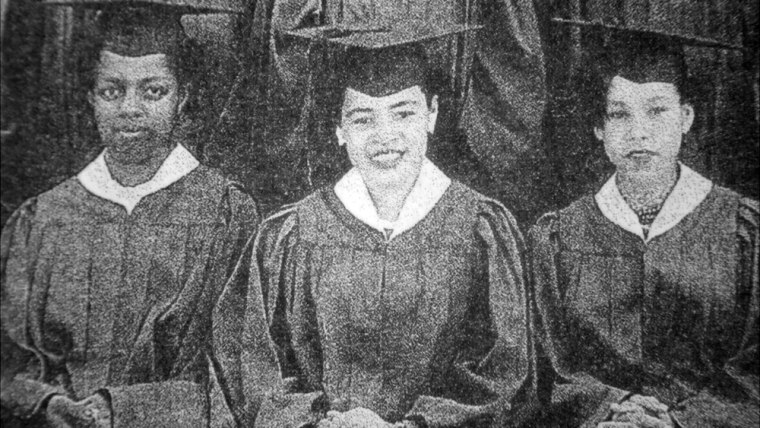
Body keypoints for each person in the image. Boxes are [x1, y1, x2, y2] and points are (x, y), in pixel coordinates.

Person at [0, 5, 276, 427]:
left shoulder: (225, 212)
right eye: (112, 91)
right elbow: (9, 364)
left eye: (153, 91)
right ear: (90, 99)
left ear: (183, 97)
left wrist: (127, 410)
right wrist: (49, 404)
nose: (131, 108)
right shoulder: (42, 220)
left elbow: (235, 372)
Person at [249, 26, 532, 428]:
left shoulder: (481, 228)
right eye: (363, 119)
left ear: (432, 115)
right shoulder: (293, 233)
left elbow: (503, 374)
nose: (385, 136)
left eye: (403, 113)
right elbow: (261, 367)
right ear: (339, 129)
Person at [528, 24, 759, 428]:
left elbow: (755, 365)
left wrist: (682, 420)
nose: (639, 131)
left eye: (657, 110)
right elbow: (546, 363)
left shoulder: (741, 229)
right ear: (599, 128)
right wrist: (611, 410)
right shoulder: (557, 237)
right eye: (619, 114)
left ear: (686, 117)